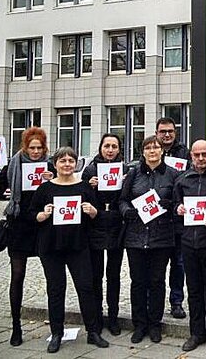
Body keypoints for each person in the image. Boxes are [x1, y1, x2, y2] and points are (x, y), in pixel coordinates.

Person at [0, 127, 55, 347]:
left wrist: (51, 182)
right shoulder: (12, 165)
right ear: (25, 147)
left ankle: (56, 326)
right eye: (32, 148)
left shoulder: (49, 166)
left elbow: (62, 193)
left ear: (45, 148)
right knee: (17, 276)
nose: (36, 152)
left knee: (52, 276)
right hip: (19, 227)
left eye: (40, 148)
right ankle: (16, 327)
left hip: (43, 226)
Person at [29, 147, 109, 353]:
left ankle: (93, 331)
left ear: (76, 164)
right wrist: (41, 215)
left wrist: (93, 211)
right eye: (62, 161)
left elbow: (98, 215)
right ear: (55, 164)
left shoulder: (84, 187)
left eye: (70, 161)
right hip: (51, 247)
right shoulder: (45, 189)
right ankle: (57, 333)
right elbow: (31, 214)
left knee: (86, 288)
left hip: (78, 246)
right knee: (56, 289)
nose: (67, 164)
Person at [119, 135, 179, 344]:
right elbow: (122, 200)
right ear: (142, 152)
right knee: (138, 282)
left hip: (161, 236)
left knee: (157, 282)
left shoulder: (172, 174)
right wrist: (127, 212)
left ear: (162, 150)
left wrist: (170, 205)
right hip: (136, 236)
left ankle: (154, 324)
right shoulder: (133, 173)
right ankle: (139, 324)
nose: (152, 151)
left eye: (156, 147)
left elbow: (179, 202)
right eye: (148, 148)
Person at [174, 139, 206, 354]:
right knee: (194, 289)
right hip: (188, 243)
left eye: (205, 154)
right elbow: (174, 206)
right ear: (191, 156)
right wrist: (178, 209)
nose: (201, 158)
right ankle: (196, 332)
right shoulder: (182, 180)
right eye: (197, 154)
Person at [80, 133, 127, 336]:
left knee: (113, 275)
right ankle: (97, 316)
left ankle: (113, 316)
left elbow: (128, 196)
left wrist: (125, 183)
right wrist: (89, 186)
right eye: (107, 146)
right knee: (95, 274)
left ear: (119, 149)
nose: (110, 150)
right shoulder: (90, 169)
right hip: (95, 223)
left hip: (116, 223)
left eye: (114, 146)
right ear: (100, 147)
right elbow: (81, 195)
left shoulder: (125, 169)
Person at [156, 117, 190, 319]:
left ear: (175, 133)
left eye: (170, 131)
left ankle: (176, 302)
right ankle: (155, 303)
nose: (167, 134)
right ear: (157, 133)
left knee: (178, 264)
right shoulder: (151, 151)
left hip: (178, 218)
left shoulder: (185, 153)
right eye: (163, 131)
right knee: (157, 266)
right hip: (157, 218)